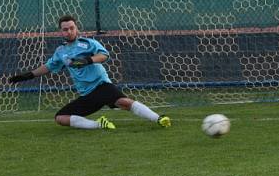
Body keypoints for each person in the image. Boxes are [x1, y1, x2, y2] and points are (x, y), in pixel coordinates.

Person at [9, 14, 171, 130]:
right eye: (65, 29)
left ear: (76, 28)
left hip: (101, 85)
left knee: (124, 102)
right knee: (60, 118)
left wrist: (87, 60)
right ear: (61, 32)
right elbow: (48, 67)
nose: (69, 31)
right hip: (86, 94)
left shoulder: (88, 43)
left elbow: (104, 55)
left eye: (72, 28)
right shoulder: (60, 52)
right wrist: (27, 76)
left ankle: (159, 118)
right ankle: (99, 124)